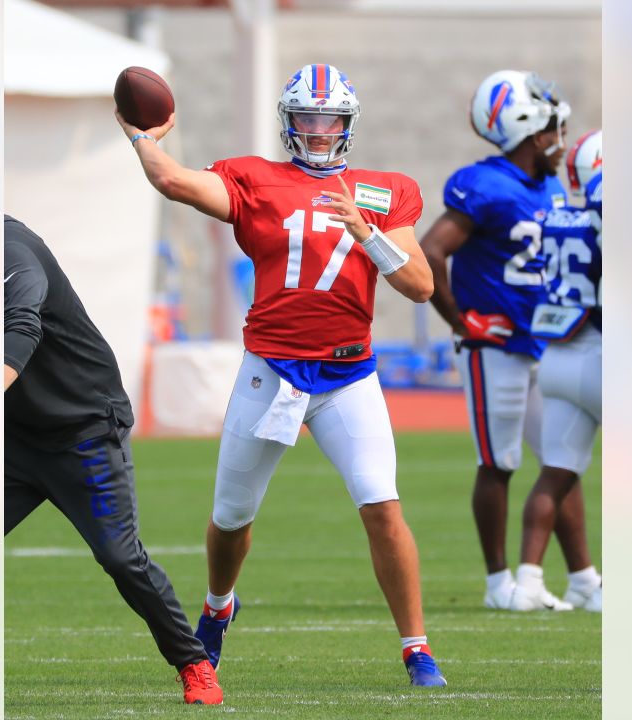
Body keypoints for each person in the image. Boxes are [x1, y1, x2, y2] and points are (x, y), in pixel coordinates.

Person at [115, 64, 447, 687]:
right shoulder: (255, 176)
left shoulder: (383, 190)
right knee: (232, 515)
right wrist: (143, 137)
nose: (319, 131)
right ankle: (217, 607)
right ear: (288, 121)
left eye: (330, 120)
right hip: (272, 367)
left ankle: (417, 647)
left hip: (349, 375)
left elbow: (422, 285)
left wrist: (368, 236)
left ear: (348, 124)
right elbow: (176, 184)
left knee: (381, 503)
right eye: (307, 118)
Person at [3, 215, 223, 705]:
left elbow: (21, 327)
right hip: (12, 438)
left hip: (83, 432)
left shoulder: (9, 250)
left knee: (121, 558)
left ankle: (193, 663)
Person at [420, 70, 574, 612]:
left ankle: (581, 577)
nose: (560, 138)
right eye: (553, 127)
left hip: (544, 343)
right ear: (531, 131)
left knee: (561, 459)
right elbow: (431, 251)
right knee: (499, 461)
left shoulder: (550, 186)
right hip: (496, 347)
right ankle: (497, 583)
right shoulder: (483, 184)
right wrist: (461, 323)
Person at [521, 130, 604, 612]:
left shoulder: (555, 215)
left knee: (556, 472)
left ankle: (530, 580)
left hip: (556, 353)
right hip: (600, 350)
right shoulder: (603, 210)